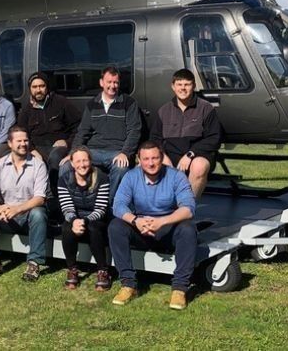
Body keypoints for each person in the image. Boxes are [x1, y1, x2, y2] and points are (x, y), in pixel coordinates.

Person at [109, 141, 197, 310]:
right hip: (141, 227)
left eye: (155, 158)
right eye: (146, 159)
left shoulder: (176, 176)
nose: (151, 163)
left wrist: (161, 221)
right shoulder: (131, 176)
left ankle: (179, 289)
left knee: (188, 228)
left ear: (162, 158)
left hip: (167, 228)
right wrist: (135, 221)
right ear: (139, 160)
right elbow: (118, 205)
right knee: (116, 226)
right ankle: (128, 284)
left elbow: (188, 208)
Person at [0, 125, 49, 281]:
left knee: (38, 213)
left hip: (28, 216)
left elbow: (40, 198)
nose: (23, 144)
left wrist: (17, 209)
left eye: (26, 140)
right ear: (10, 143)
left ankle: (34, 263)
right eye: (19, 141)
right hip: (6, 215)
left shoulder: (38, 165)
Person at [150, 68, 222, 198]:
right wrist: (163, 156)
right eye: (179, 84)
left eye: (187, 84)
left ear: (193, 86)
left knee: (199, 166)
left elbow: (214, 138)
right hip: (170, 156)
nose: (183, 88)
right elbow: (155, 138)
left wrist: (190, 154)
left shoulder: (206, 108)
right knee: (146, 164)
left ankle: (187, 206)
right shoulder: (164, 110)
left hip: (197, 155)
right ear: (173, 86)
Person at [73, 66, 142, 200]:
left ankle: (108, 205)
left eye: (116, 82)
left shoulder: (129, 103)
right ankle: (75, 204)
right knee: (65, 166)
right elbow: (83, 131)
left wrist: (125, 153)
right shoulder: (92, 104)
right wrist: (73, 152)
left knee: (121, 168)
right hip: (92, 151)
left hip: (116, 152)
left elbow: (134, 131)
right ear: (101, 82)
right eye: (109, 82)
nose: (112, 86)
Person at [57, 146, 111, 291]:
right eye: (78, 161)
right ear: (72, 163)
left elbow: (101, 209)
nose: (82, 164)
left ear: (90, 161)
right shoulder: (64, 180)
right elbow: (67, 207)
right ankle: (72, 269)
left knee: (93, 228)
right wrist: (74, 220)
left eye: (85, 160)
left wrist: (84, 221)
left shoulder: (102, 178)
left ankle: (103, 271)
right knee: (66, 228)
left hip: (96, 219)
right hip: (75, 218)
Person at [17, 71, 82, 180]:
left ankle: (55, 189)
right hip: (36, 148)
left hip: (58, 147)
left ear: (47, 87)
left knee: (55, 158)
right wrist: (32, 150)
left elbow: (78, 126)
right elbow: (21, 134)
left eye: (42, 86)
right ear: (30, 89)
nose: (38, 90)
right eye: (34, 87)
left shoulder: (61, 103)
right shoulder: (26, 110)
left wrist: (67, 142)